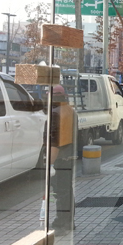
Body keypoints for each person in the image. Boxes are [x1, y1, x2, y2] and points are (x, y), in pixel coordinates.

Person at [48, 85, 78, 234]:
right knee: (67, 190)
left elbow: (54, 142)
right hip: (70, 156)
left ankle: (60, 223)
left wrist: (49, 164)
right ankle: (69, 221)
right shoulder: (71, 111)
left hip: (60, 158)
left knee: (60, 192)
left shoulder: (55, 113)